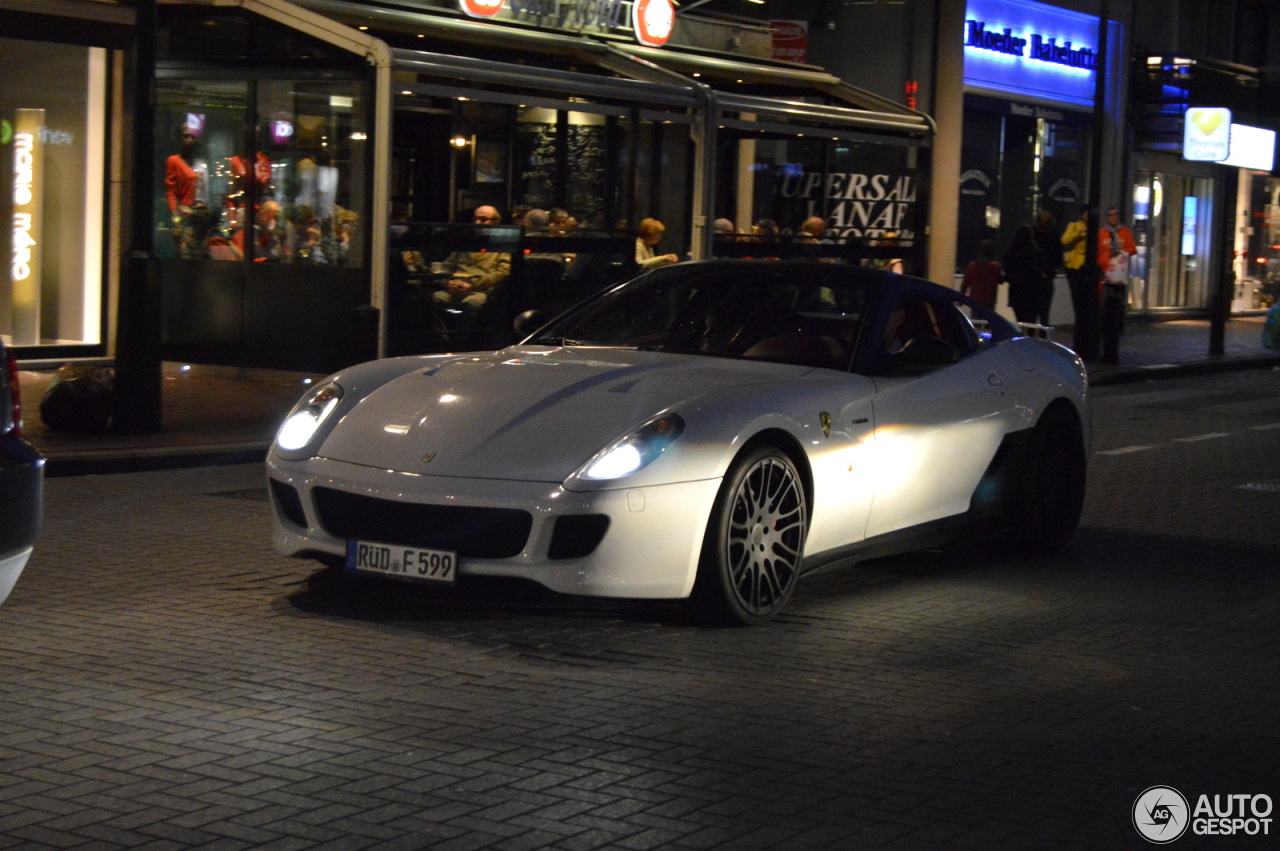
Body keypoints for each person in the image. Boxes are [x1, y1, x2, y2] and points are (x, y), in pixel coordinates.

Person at [432, 205, 511, 324]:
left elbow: (503, 273)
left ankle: (465, 340)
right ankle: (443, 339)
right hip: (455, 288)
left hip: (481, 290)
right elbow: (446, 267)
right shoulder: (465, 243)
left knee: (470, 303)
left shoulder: (502, 245)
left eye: (483, 219)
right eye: (475, 219)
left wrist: (473, 285)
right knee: (434, 298)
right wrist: (448, 283)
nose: (478, 222)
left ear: (495, 222)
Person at [164, 123, 211, 258]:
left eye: (192, 136)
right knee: (186, 256)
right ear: (179, 138)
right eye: (186, 136)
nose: (190, 139)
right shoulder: (174, 161)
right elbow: (170, 191)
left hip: (202, 216)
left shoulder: (200, 163)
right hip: (187, 215)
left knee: (202, 257)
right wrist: (176, 218)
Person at [1003, 224, 1050, 332]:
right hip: (1032, 291)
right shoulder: (1035, 251)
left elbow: (1008, 275)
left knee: (1021, 321)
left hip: (1017, 291)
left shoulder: (1011, 252)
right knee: (1031, 322)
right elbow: (1041, 268)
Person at [1060, 205, 1093, 329]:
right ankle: (1079, 321)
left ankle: (1084, 322)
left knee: (1085, 296)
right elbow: (1063, 240)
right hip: (1074, 265)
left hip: (1087, 266)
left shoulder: (1093, 228)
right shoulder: (1074, 225)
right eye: (1085, 213)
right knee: (1076, 295)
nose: (1087, 216)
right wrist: (1078, 234)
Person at [1031, 210, 1061, 325]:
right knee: (1044, 313)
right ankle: (1043, 339)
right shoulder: (1054, 236)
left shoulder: (1032, 234)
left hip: (1033, 278)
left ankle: (1030, 338)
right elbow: (1058, 259)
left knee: (1031, 314)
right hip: (1047, 278)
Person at [1098, 206, 1137, 287]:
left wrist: (1120, 252)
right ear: (1107, 217)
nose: (1113, 218)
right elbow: (1097, 252)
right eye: (1110, 215)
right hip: (1104, 271)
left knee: (1117, 296)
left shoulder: (1125, 231)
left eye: (1115, 215)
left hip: (1119, 272)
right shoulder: (1102, 233)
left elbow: (1133, 249)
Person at [960, 239, 1003, 309]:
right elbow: (1000, 281)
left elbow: (965, 284)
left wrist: (961, 298)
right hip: (989, 300)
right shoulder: (995, 266)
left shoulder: (972, 266)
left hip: (975, 300)